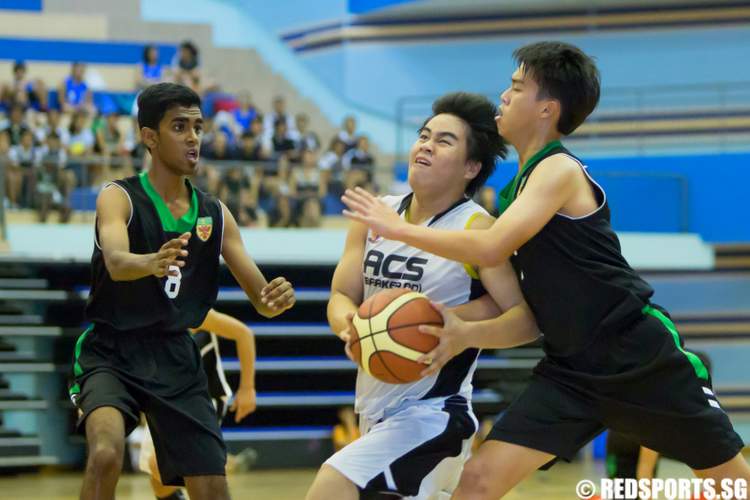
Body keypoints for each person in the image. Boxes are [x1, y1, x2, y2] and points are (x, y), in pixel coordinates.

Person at [341, 41, 749, 499]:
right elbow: (516, 304)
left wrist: (399, 229)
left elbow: (492, 245)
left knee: (733, 487)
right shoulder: (519, 185)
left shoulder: (558, 170)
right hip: (571, 368)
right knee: (477, 481)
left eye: (516, 87)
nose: (504, 96)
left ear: (546, 110)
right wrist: (459, 329)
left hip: (636, 355)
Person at [68, 82, 296, 500]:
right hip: (112, 351)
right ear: (149, 137)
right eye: (179, 127)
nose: (193, 137)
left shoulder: (215, 214)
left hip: (176, 358)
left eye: (198, 126)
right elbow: (116, 263)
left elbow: (260, 300)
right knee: (105, 452)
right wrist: (149, 261)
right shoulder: (119, 197)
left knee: (212, 487)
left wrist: (274, 298)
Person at [306, 92, 540, 500]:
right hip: (375, 411)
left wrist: (463, 333)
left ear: (472, 167)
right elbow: (341, 294)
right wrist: (353, 326)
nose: (426, 145)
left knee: (331, 487)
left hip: (434, 415)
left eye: (444, 140)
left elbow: (524, 321)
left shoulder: (478, 229)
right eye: (424, 135)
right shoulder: (377, 213)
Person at [138, 308, 258, 500]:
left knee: (162, 465)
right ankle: (219, 468)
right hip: (167, 401)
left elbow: (244, 333)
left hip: (205, 398)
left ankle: (213, 474)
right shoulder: (142, 316)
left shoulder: (193, 311)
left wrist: (247, 388)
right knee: (158, 478)